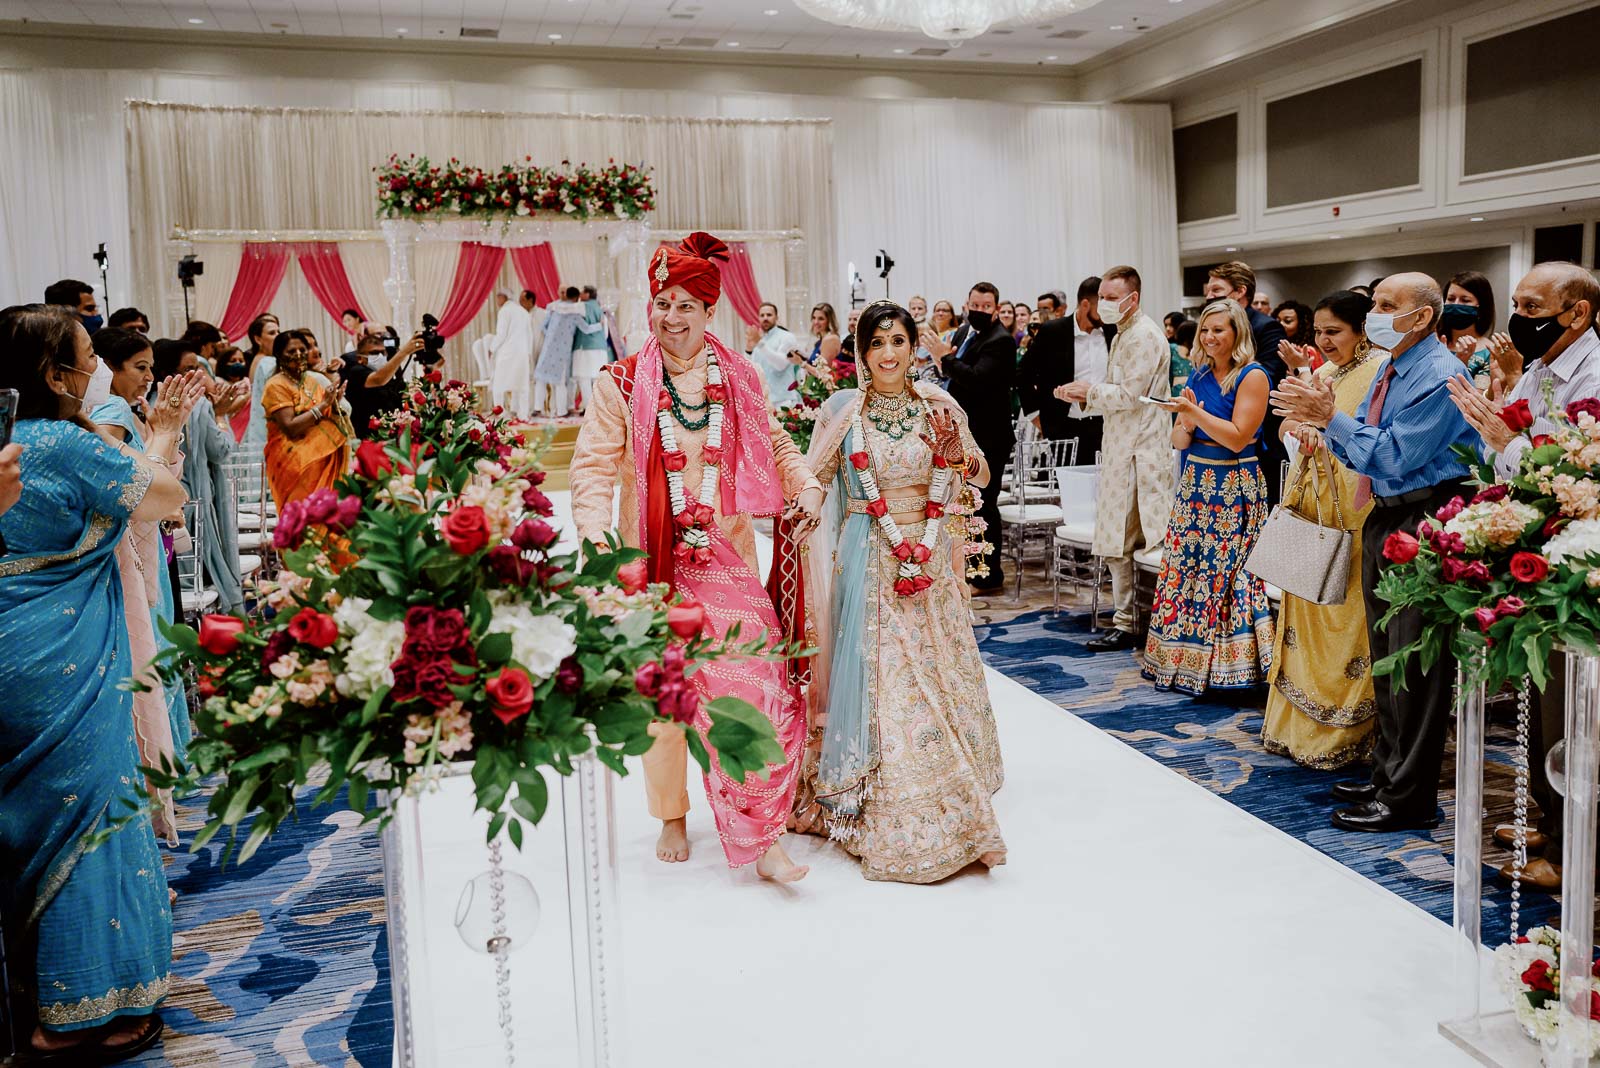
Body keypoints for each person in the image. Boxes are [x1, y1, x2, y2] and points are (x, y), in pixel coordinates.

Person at [568, 232, 821, 882]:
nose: (672, 317)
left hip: (723, 558)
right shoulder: (620, 384)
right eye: (663, 304)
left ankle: (760, 833)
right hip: (649, 563)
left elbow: (776, 446)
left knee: (757, 684)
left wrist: (807, 484)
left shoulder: (738, 376)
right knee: (666, 699)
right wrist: (598, 543)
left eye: (687, 305)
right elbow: (593, 469)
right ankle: (672, 814)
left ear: (710, 313)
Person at [0, 303, 192, 1062]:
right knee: (91, 811)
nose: (100, 372)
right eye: (90, 358)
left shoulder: (8, 441)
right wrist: (159, 439)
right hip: (64, 650)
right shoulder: (58, 443)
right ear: (56, 375)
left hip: (12, 643)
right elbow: (164, 498)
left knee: (25, 818)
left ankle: (27, 989)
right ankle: (81, 1011)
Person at [792, 301, 1007, 882]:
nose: (888, 353)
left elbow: (982, 475)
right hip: (870, 555)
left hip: (930, 555)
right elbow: (815, 475)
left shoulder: (938, 406)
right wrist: (807, 504)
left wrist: (958, 452)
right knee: (888, 677)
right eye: (876, 342)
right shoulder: (845, 411)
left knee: (936, 671)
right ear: (861, 353)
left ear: (916, 347)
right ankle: (892, 802)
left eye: (898, 341)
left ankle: (962, 801)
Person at [1273, 272, 1477, 832]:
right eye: (1375, 305)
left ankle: (1409, 798)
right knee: (1387, 656)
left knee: (1413, 663)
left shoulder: (1439, 374)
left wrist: (1326, 416)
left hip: (1425, 514)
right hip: (1387, 512)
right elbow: (1366, 445)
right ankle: (1388, 775)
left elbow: (1389, 455)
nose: (1375, 316)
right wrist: (1326, 417)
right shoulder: (1394, 363)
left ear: (1424, 317)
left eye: (1389, 306)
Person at [1446, 262, 1600, 890]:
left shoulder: (1593, 374)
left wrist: (1503, 438)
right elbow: (1507, 448)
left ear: (1577, 314)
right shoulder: (1540, 369)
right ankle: (1546, 811)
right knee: (1540, 695)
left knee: (1573, 709)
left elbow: (1566, 469)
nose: (1518, 317)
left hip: (1576, 557)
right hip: (1533, 543)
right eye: (1515, 303)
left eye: (1531, 305)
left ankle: (1571, 852)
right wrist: (1497, 427)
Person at [1262, 291, 1384, 768]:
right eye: (1319, 332)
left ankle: (1344, 730)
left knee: (1345, 609)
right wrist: (1300, 429)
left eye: (1334, 332)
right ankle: (1295, 724)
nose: (1324, 341)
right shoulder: (1325, 373)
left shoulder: (1380, 374)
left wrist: (1326, 428)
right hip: (1313, 500)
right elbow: (1283, 426)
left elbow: (1372, 440)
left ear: (1362, 331)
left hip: (1353, 506)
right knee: (1306, 601)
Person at [1143, 299, 1274, 693]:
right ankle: (1180, 660)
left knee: (1228, 570)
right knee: (1189, 568)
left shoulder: (1253, 376)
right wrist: (1182, 420)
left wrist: (1194, 416)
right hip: (1195, 480)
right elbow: (1179, 437)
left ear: (1237, 333)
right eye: (1205, 329)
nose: (1210, 336)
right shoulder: (1197, 375)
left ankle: (1233, 668)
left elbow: (1237, 438)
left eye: (1219, 329)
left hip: (1233, 483)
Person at [88, 328, 194, 782]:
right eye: (140, 367)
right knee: (151, 645)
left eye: (152, 367)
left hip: (149, 538)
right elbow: (128, 480)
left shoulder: (129, 408)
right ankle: (158, 768)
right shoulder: (111, 409)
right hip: (135, 544)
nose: (149, 376)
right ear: (110, 368)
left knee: (158, 643)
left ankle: (163, 764)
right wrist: (163, 435)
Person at [1055, 266, 1175, 652]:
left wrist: (1087, 392)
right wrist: (1085, 394)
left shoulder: (1143, 336)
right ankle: (1129, 616)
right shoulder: (1123, 333)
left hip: (1141, 452)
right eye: (1102, 297)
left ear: (1132, 298)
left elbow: (1130, 394)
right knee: (1116, 541)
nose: (1103, 304)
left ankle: (1135, 620)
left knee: (1132, 541)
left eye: (1110, 297)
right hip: (1122, 448)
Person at [920, 282, 1016, 593]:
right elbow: (949, 373)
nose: (980, 310)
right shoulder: (963, 333)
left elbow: (977, 380)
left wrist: (944, 358)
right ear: (967, 303)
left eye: (987, 306)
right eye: (975, 304)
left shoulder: (1000, 341)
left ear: (996, 309)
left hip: (989, 434)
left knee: (984, 503)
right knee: (964, 504)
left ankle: (988, 576)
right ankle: (965, 568)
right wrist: (941, 359)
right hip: (964, 432)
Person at [154, 337, 249, 616]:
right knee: (204, 568)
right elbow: (221, 450)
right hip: (194, 502)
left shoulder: (152, 401)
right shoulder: (198, 407)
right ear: (167, 373)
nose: (196, 374)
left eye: (198, 367)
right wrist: (221, 417)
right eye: (187, 369)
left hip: (166, 499)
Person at [1205, 262, 1289, 506]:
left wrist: (1222, 388)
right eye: (1208, 292)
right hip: (1218, 436)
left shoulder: (1265, 327)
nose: (1209, 297)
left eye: (1216, 290)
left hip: (1258, 440)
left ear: (1240, 292)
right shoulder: (1211, 329)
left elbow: (1271, 377)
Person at [262, 328, 350, 509]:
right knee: (303, 520)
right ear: (279, 355)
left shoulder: (313, 380)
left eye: (302, 350)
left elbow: (327, 417)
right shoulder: (276, 385)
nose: (299, 354)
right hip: (294, 463)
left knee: (328, 520)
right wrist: (324, 405)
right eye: (291, 351)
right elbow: (290, 427)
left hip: (324, 459)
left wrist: (334, 404)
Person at [1019, 276, 1102, 452]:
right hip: (1064, 427)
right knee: (1064, 479)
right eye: (1101, 304)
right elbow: (1024, 372)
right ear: (1085, 305)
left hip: (1105, 427)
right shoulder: (1053, 331)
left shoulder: (1111, 331)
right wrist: (1034, 414)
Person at [340, 324, 418, 438]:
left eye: (385, 334)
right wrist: (404, 352)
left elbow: (399, 391)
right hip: (366, 434)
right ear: (363, 336)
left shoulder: (389, 362)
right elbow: (378, 379)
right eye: (378, 334)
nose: (383, 338)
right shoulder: (352, 362)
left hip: (392, 432)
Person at [1439, 270, 1497, 382]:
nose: (1456, 304)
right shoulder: (1434, 343)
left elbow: (1480, 396)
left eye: (1465, 300)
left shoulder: (1489, 352)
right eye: (1451, 299)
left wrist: (1462, 364)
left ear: (1481, 306)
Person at [535, 287, 584, 416]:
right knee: (560, 383)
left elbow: (543, 326)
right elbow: (586, 328)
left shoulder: (553, 309)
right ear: (576, 298)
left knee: (541, 379)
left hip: (548, 348)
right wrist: (600, 324)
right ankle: (561, 412)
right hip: (563, 351)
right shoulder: (575, 313)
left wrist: (551, 337)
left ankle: (537, 409)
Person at [489, 289, 537, 418]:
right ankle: (523, 414)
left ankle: (499, 413)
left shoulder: (504, 311)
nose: (497, 300)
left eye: (498, 297)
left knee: (498, 384)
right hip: (522, 353)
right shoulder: (523, 311)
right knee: (522, 386)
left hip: (507, 353)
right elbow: (529, 336)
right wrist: (528, 354)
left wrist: (492, 348)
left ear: (503, 297)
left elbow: (501, 334)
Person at [745, 301, 805, 401]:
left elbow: (780, 365)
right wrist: (748, 349)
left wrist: (759, 344)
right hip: (763, 401)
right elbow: (751, 367)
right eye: (762, 315)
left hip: (784, 401)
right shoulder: (760, 339)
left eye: (769, 315)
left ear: (777, 317)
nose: (765, 318)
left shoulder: (787, 337)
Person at [242, 312, 281, 446]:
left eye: (278, 331)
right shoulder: (266, 362)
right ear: (258, 339)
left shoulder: (259, 359)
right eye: (272, 333)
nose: (278, 336)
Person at [572, 285, 610, 410]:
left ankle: (588, 408)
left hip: (585, 348)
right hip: (600, 349)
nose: (580, 295)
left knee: (583, 379)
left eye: (582, 292)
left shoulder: (581, 306)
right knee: (596, 380)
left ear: (587, 294)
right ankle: (598, 409)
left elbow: (584, 328)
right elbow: (605, 334)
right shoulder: (600, 308)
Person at [804, 302, 842, 380]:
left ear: (829, 321)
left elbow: (824, 374)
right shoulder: (820, 340)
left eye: (821, 319)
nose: (816, 322)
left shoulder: (830, 339)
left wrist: (801, 363)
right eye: (814, 318)